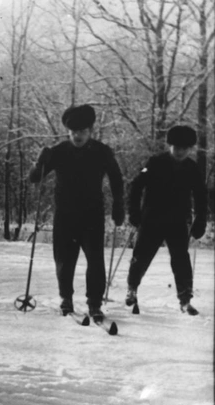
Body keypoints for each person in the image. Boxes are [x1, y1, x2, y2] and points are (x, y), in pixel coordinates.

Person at [29, 104, 125, 321]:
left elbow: (116, 178)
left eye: (82, 132)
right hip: (65, 215)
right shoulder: (59, 151)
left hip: (92, 215)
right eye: (74, 132)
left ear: (90, 131)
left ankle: (94, 304)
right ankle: (66, 299)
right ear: (68, 132)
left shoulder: (102, 151)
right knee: (64, 260)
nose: (78, 136)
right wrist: (39, 162)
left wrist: (119, 205)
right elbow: (35, 178)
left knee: (95, 261)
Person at [125, 125, 207, 315]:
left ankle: (185, 298)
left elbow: (201, 195)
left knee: (181, 260)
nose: (180, 152)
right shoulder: (155, 162)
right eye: (176, 148)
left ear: (190, 149)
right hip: (152, 218)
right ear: (169, 146)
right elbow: (136, 186)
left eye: (185, 149)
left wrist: (200, 220)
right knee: (142, 255)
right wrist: (134, 211)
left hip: (178, 220)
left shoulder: (191, 167)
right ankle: (132, 289)